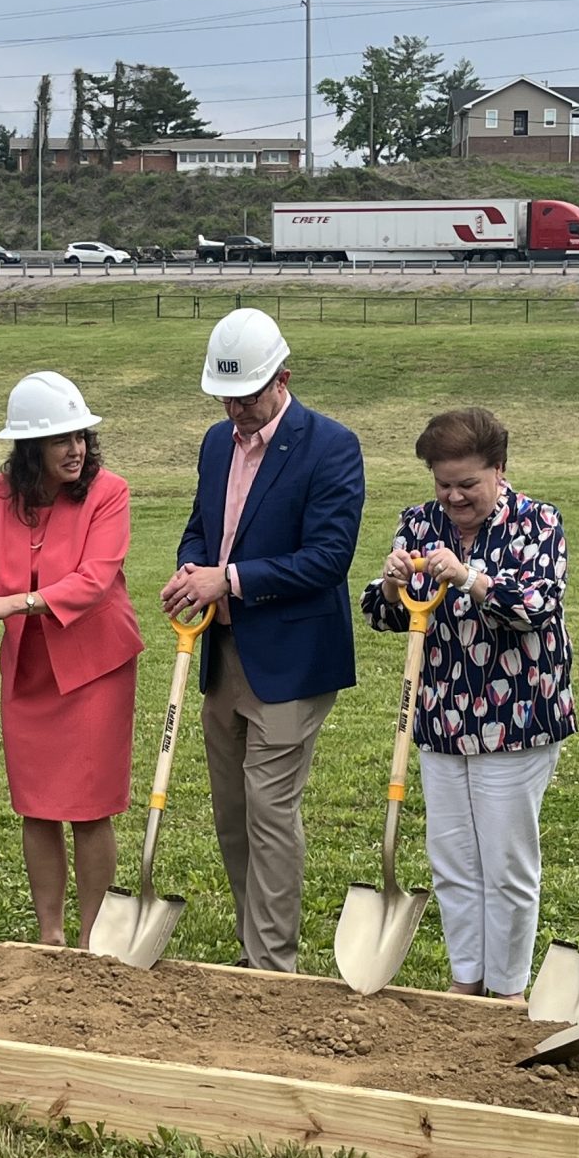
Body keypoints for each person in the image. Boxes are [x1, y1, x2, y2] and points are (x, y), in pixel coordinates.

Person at [161, 307, 364, 974]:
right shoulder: (216, 443)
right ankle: (256, 947)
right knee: (232, 812)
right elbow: (201, 526)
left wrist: (232, 580)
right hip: (224, 655)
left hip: (294, 659)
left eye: (246, 395)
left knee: (270, 808)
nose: (234, 409)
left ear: (283, 377)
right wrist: (193, 571)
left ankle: (272, 969)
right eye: (225, 396)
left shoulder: (331, 446)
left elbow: (328, 558)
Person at [359, 407, 572, 1001]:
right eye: (442, 483)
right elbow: (383, 615)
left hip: (519, 715)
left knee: (505, 863)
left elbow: (536, 607)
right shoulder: (417, 523)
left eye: (467, 484)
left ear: (498, 471)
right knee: (453, 859)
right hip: (441, 713)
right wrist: (392, 584)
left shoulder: (539, 523)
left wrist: (469, 578)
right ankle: (465, 981)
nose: (453, 496)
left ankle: (506, 991)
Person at [0, 372, 143, 946]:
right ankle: (50, 935)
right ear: (29, 450)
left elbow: (94, 581)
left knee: (89, 806)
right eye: (60, 440)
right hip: (28, 670)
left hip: (94, 668)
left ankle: (91, 937)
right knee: (38, 805)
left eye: (79, 436)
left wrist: (12, 603)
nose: (75, 449)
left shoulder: (110, 493)